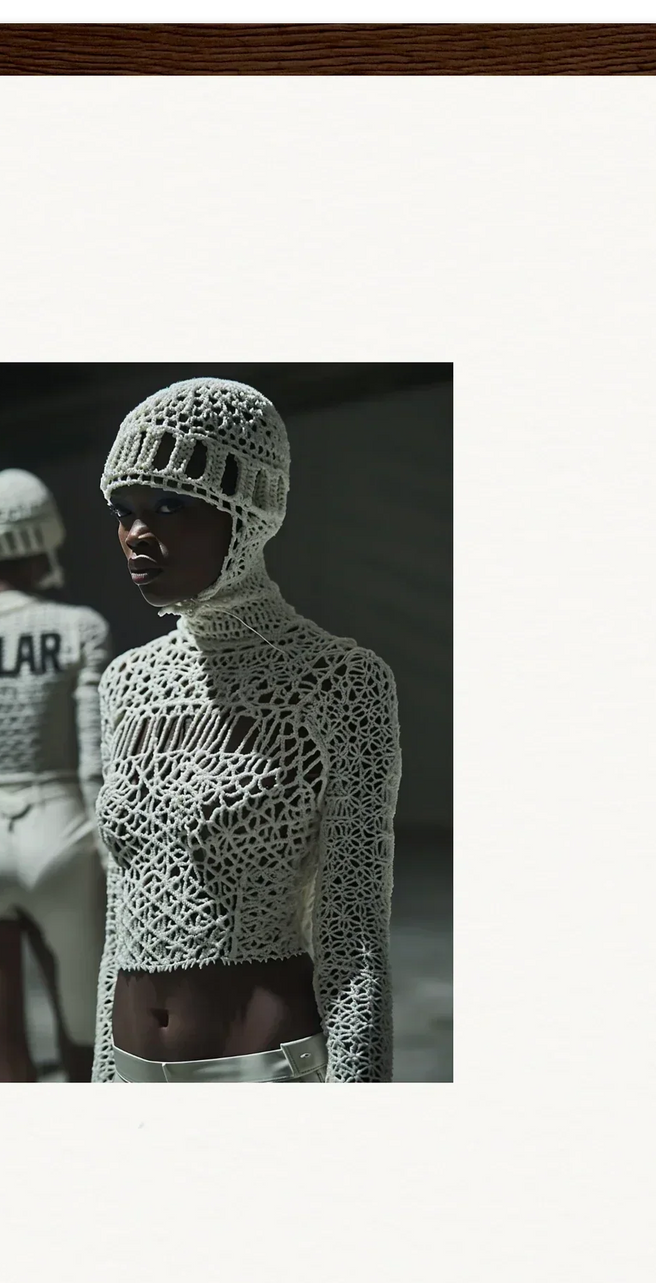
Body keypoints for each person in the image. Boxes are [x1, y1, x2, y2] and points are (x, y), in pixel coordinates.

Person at [90, 379, 401, 1083]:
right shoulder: (125, 684)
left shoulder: (338, 680)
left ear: (249, 511)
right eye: (124, 510)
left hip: (263, 1065)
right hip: (132, 1061)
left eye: (171, 504)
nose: (138, 532)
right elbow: (120, 917)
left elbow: (351, 932)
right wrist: (102, 1075)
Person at [0, 468, 111, 1082]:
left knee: (1, 1071)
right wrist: (111, 856)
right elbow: (93, 761)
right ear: (46, 538)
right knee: (87, 1046)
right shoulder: (81, 627)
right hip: (63, 835)